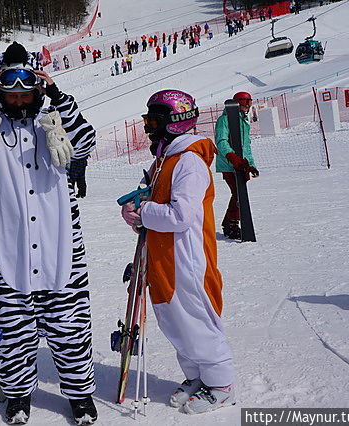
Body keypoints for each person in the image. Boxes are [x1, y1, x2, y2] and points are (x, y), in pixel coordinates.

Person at [0, 41, 97, 425]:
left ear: (37, 90)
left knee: (71, 327)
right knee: (14, 332)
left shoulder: (55, 122)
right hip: (6, 245)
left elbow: (86, 143)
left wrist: (59, 97)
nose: (19, 101)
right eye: (10, 94)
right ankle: (17, 395)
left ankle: (80, 395)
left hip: (58, 243)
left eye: (26, 94)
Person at [120, 89, 235, 415]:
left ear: (175, 124)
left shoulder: (189, 163)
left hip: (187, 259)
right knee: (175, 322)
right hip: (163, 257)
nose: (148, 128)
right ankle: (198, 377)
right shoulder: (164, 161)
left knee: (195, 321)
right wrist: (135, 213)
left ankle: (222, 384)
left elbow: (180, 216)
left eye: (153, 121)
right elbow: (154, 208)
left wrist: (144, 212)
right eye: (147, 120)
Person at [214, 91, 259, 239]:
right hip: (229, 164)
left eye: (249, 103)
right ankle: (231, 224)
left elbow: (246, 146)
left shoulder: (243, 122)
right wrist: (232, 157)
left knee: (240, 194)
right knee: (238, 193)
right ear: (237, 103)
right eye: (245, 103)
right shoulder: (224, 120)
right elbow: (221, 141)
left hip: (240, 164)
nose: (247, 106)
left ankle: (230, 223)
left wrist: (251, 165)